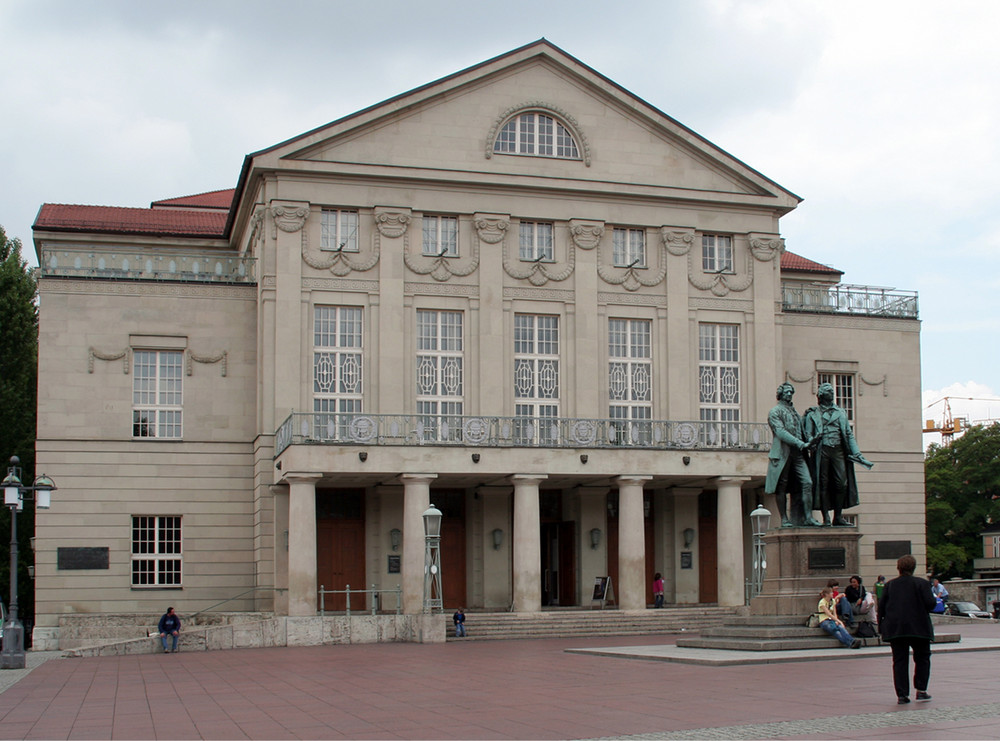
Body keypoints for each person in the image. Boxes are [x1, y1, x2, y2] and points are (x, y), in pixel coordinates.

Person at [802, 382, 873, 526]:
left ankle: (838, 516)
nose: (832, 393)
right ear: (821, 395)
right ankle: (826, 517)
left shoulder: (841, 412)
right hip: (822, 451)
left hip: (838, 451)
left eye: (832, 390)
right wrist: (813, 440)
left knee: (842, 484)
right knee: (823, 484)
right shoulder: (812, 414)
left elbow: (848, 434)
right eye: (828, 390)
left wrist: (857, 453)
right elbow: (808, 435)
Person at [878, 554, 936, 704]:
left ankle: (902, 695)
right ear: (914, 567)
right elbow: (931, 604)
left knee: (899, 661)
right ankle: (921, 690)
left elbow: (881, 608)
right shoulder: (922, 584)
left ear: (898, 568)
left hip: (896, 629)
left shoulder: (889, 585)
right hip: (919, 628)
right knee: (922, 658)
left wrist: (881, 627)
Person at [764, 383, 821, 527]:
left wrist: (809, 415)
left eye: (791, 392)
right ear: (781, 394)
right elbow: (781, 432)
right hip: (782, 453)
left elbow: (801, 430)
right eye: (786, 392)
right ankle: (784, 519)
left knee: (807, 483)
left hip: (797, 454)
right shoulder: (775, 412)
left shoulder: (794, 412)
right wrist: (801, 443)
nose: (789, 394)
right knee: (781, 486)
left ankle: (808, 517)